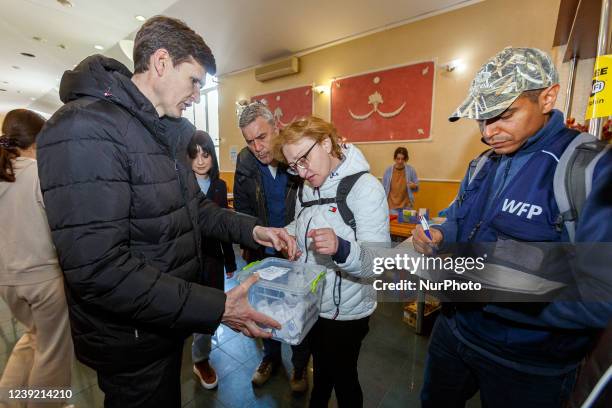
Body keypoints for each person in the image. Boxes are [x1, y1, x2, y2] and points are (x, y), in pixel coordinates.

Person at [36, 16, 296, 408]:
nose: (196, 95)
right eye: (194, 80)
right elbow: (98, 268)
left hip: (165, 319)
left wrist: (254, 231)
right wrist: (218, 306)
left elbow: (196, 210)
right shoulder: (84, 127)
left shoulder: (166, 131)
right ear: (161, 62)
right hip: (131, 338)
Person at [412, 47, 612, 407]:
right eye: (482, 120)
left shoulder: (591, 170)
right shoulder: (483, 164)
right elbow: (459, 218)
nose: (489, 133)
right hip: (454, 331)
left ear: (548, 97)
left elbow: (600, 296)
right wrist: (441, 233)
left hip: (528, 364)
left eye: (504, 115)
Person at [275, 116, 390, 408]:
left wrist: (340, 248)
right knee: (322, 373)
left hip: (347, 312)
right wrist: (284, 236)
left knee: (344, 379)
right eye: (294, 166)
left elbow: (377, 262)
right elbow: (303, 224)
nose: (301, 172)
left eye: (303, 159)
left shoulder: (366, 188)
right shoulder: (308, 185)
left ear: (326, 143)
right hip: (315, 302)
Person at [234, 102, 310, 392]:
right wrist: (248, 240)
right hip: (262, 253)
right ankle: (271, 358)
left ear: (276, 127)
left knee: (298, 311)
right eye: (250, 141)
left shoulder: (297, 154)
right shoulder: (245, 161)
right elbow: (241, 211)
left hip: (297, 252)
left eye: (262, 137)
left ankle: (301, 367)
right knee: (265, 308)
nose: (257, 147)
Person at [0, 109, 73, 407]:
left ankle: (8, 400)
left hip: (7, 281)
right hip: (42, 280)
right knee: (53, 355)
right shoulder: (37, 173)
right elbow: (59, 225)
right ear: (37, 140)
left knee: (34, 338)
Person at [188, 130, 237, 390]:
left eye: (205, 154)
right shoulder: (180, 183)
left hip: (213, 259)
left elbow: (224, 228)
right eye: (194, 155)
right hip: (186, 259)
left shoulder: (219, 186)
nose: (200, 161)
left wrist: (230, 262)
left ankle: (201, 359)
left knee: (209, 312)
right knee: (187, 309)